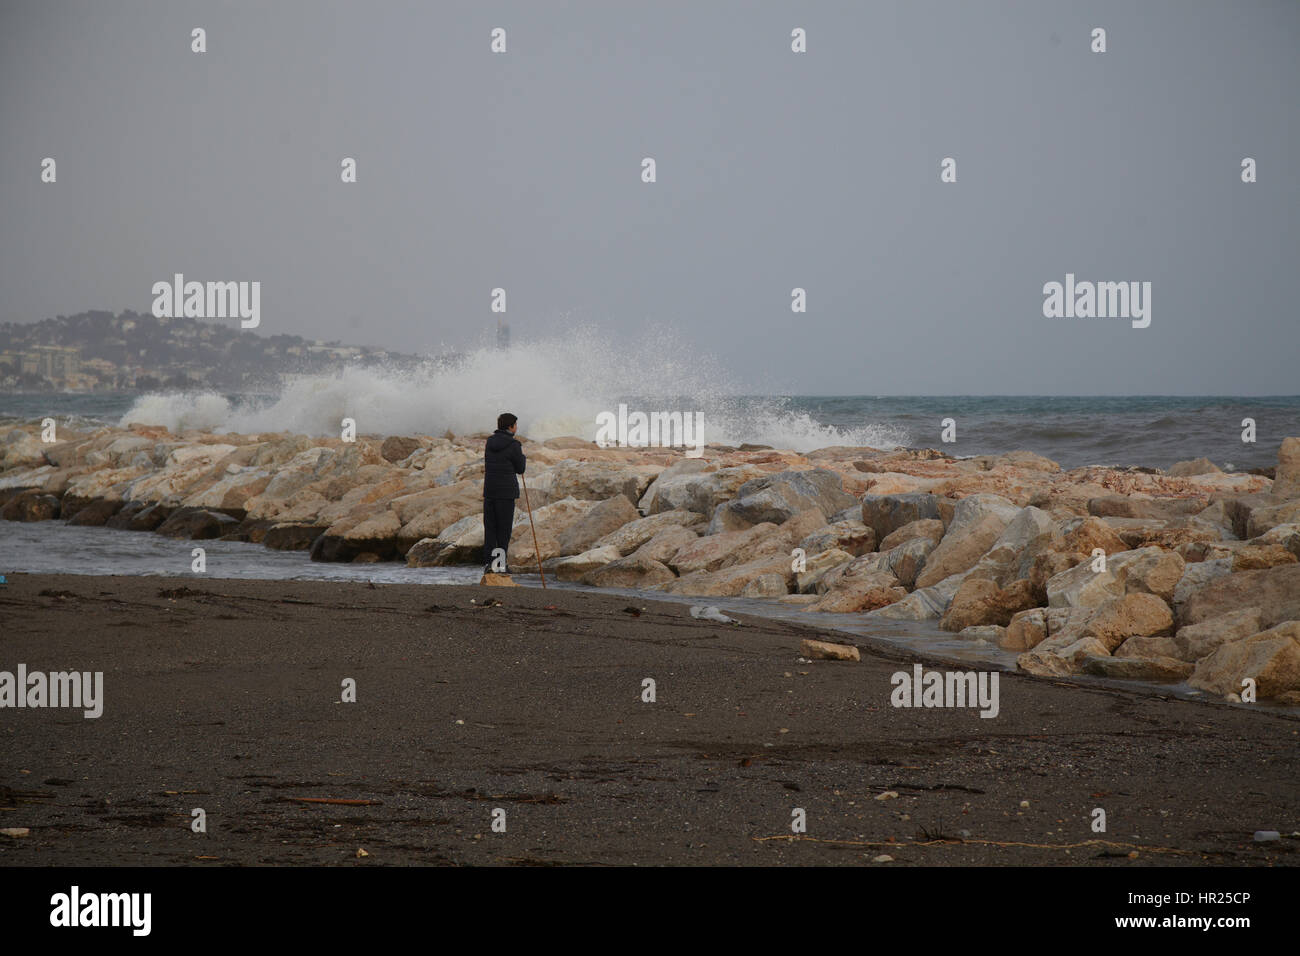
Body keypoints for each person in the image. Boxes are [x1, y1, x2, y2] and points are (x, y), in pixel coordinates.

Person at [482, 412, 526, 574]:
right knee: (503, 530)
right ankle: (500, 565)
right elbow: (520, 468)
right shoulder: (514, 445)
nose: (517, 427)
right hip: (506, 494)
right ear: (510, 426)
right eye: (515, 425)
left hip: (490, 491)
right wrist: (523, 457)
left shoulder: (490, 442)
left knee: (491, 529)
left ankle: (490, 564)